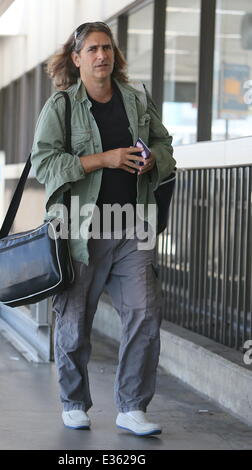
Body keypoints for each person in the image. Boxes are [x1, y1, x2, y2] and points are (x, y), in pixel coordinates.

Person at [31, 21, 176, 436]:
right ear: (77, 59)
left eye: (107, 48)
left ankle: (132, 406)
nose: (101, 55)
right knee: (75, 320)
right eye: (92, 49)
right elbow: (44, 162)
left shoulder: (136, 99)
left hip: (134, 225)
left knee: (146, 314)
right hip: (80, 231)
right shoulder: (61, 105)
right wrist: (102, 159)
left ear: (114, 55)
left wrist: (153, 161)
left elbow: (165, 145)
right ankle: (74, 400)